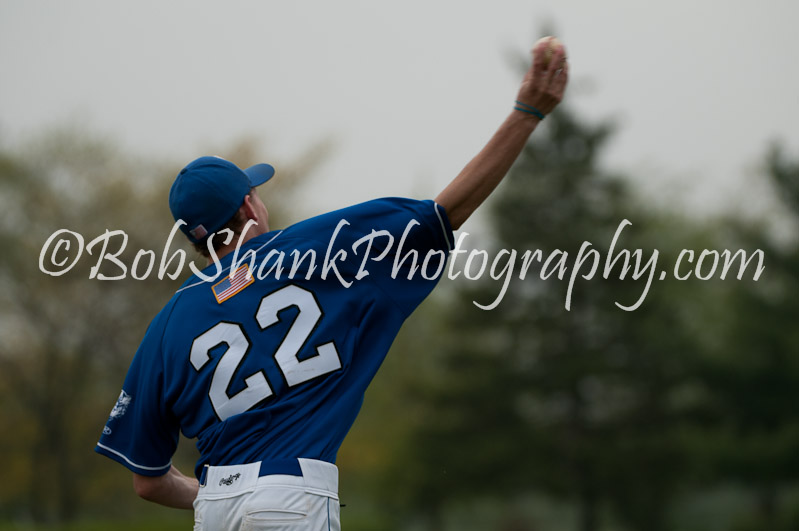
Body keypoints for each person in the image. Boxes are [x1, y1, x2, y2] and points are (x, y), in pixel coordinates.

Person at [95, 37, 568, 530]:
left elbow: (147, 480)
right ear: (249, 207)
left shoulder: (168, 322)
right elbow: (444, 214)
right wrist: (525, 113)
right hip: (291, 499)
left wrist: (222, 496)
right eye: (254, 191)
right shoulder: (315, 249)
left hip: (215, 510)